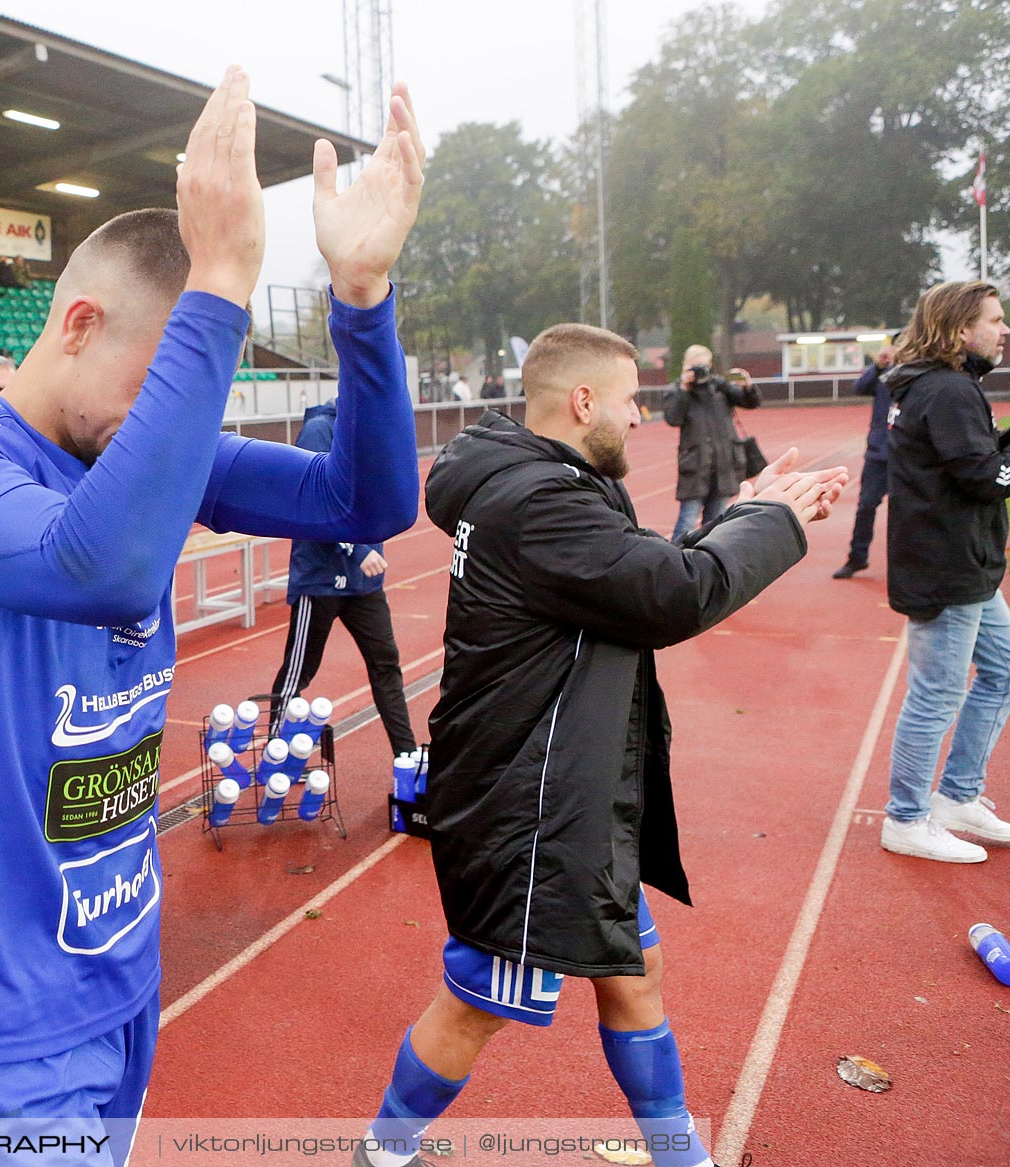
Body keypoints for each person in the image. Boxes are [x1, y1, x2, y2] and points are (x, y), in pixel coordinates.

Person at [0, 69, 425, 1159]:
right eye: (166, 382)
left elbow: (370, 503)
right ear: (77, 324)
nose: (177, 426)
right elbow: (101, 567)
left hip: (119, 964)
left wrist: (362, 297)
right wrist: (218, 276)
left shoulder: (137, 447)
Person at [355, 323, 845, 1167]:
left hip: (565, 796)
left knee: (634, 974)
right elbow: (674, 593)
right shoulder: (541, 501)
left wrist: (743, 514)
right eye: (628, 400)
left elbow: (635, 576)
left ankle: (677, 1152)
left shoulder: (546, 484)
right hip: (529, 809)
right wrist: (769, 522)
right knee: (477, 1000)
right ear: (582, 402)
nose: (640, 414)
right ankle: (382, 1152)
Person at [877, 280, 1010, 863]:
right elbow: (985, 479)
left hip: (967, 566)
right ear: (960, 329)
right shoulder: (949, 390)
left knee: (1004, 671)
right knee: (936, 694)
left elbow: (975, 460)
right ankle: (905, 818)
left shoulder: (937, 388)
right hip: (947, 569)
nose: (1004, 330)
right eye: (995, 320)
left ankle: (956, 796)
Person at [269, 397, 417, 761]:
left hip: (364, 585)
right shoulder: (321, 430)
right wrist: (357, 546)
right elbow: (311, 497)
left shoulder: (373, 432)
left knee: (386, 665)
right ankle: (274, 752)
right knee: (298, 673)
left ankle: (407, 757)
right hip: (320, 579)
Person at [663, 344, 760, 543]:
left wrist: (748, 385)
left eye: (703, 366)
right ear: (686, 366)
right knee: (686, 523)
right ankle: (674, 561)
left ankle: (705, 563)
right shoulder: (678, 391)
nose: (699, 371)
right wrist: (684, 388)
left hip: (724, 466)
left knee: (715, 524)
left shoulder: (719, 388)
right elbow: (673, 418)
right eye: (694, 366)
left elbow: (750, 402)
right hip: (696, 467)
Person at [832, 344, 896, 579]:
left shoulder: (920, 376)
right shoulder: (883, 375)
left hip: (907, 456)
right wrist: (877, 367)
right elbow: (859, 387)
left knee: (906, 513)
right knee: (866, 507)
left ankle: (907, 563)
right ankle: (857, 557)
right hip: (878, 454)